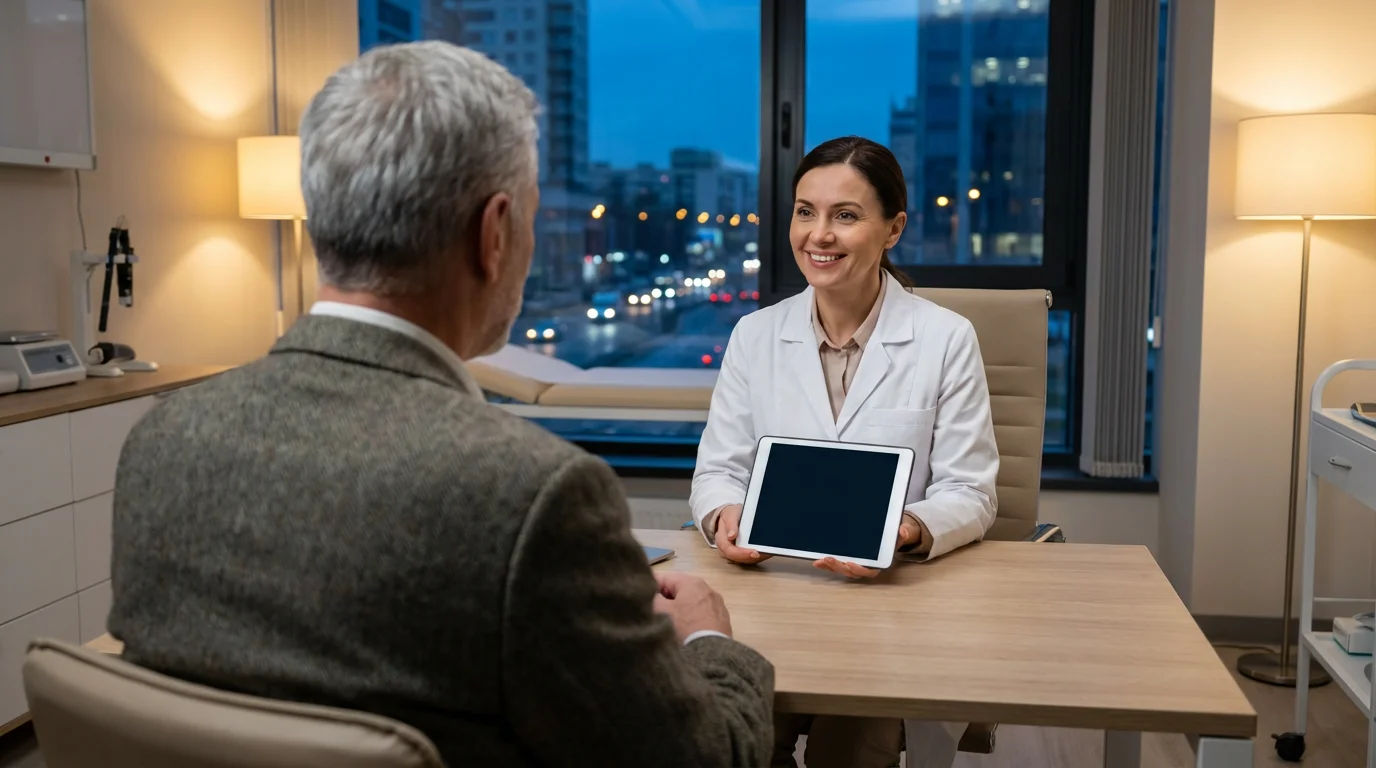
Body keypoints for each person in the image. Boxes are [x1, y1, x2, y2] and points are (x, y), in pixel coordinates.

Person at [107, 41, 774, 768]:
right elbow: (709, 760)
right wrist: (712, 640)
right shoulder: (531, 495)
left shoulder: (162, 440)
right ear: (494, 233)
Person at [690, 136, 999, 768]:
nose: (818, 235)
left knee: (855, 742)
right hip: (776, 591)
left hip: (886, 605)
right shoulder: (756, 335)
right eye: (805, 212)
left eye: (846, 215)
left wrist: (903, 530)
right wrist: (726, 518)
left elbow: (971, 491)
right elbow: (719, 470)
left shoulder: (945, 338)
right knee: (733, 731)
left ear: (893, 229)